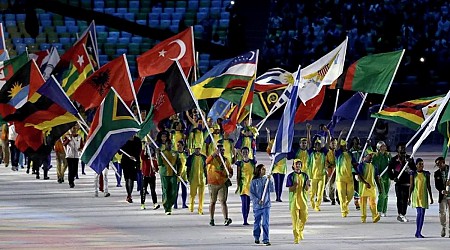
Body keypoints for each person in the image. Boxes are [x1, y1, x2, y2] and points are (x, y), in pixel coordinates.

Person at [206, 144, 233, 226]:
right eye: (219, 150)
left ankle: (226, 218)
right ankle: (211, 219)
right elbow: (207, 161)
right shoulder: (212, 159)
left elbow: (230, 169)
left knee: (223, 201)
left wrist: (230, 174)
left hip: (223, 183)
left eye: (222, 150)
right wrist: (214, 154)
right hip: (212, 183)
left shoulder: (225, 160)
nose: (221, 152)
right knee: (212, 202)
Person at [388, 142, 415, 223]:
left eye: (404, 148)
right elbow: (389, 170)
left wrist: (410, 163)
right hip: (399, 183)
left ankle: (403, 213)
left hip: (407, 182)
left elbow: (414, 169)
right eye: (401, 148)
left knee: (405, 199)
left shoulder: (409, 159)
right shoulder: (394, 160)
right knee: (399, 199)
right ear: (397, 150)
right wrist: (393, 177)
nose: (403, 150)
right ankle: (400, 214)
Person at [286, 159, 310, 244]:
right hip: (294, 201)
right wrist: (295, 185)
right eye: (296, 164)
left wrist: (307, 185)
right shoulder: (290, 176)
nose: (298, 166)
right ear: (293, 166)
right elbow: (290, 189)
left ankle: (300, 230)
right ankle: (296, 237)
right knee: (295, 220)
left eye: (299, 164)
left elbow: (307, 189)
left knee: (304, 217)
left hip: (303, 200)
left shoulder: (305, 176)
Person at [408, 158, 433, 238]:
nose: (421, 166)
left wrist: (431, 197)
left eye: (422, 164)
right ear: (416, 165)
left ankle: (418, 232)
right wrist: (409, 197)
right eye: (419, 164)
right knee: (420, 213)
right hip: (416, 195)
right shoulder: (413, 174)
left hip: (424, 195)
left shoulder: (426, 174)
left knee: (422, 214)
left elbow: (428, 186)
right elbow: (411, 186)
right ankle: (418, 232)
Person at [307, 124, 330, 211]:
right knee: (312, 193)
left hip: (322, 176)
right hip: (313, 176)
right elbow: (309, 142)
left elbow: (328, 143)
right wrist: (308, 131)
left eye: (319, 145)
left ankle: (317, 205)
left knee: (320, 192)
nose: (317, 146)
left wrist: (328, 133)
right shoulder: (311, 153)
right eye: (316, 145)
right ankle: (312, 203)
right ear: (314, 146)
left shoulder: (323, 153)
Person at [250, 164, 274, 246]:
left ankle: (266, 239)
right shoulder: (254, 182)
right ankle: (256, 236)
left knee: (265, 223)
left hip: (266, 205)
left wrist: (270, 180)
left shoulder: (266, 180)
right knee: (257, 223)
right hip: (257, 207)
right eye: (263, 169)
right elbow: (252, 194)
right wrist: (257, 201)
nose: (265, 170)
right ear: (259, 170)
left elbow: (272, 190)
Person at [157, 140, 182, 215]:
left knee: (174, 191)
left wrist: (179, 172)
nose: (169, 145)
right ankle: (167, 208)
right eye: (168, 144)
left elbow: (179, 164)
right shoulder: (162, 153)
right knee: (166, 190)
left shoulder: (175, 153)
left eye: (170, 144)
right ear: (165, 145)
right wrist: (158, 154)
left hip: (173, 174)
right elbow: (159, 163)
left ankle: (170, 204)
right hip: (164, 174)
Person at [357, 150, 381, 223]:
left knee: (373, 202)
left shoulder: (374, 166)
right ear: (365, 157)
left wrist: (379, 187)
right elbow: (359, 176)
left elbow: (376, 178)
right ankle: (363, 217)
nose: (371, 157)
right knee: (363, 203)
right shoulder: (361, 165)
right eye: (369, 155)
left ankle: (375, 216)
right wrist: (365, 183)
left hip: (372, 187)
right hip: (363, 187)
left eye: (372, 155)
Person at [335, 137, 357, 217]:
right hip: (340, 179)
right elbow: (337, 146)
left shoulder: (350, 154)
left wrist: (358, 171)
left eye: (346, 145)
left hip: (349, 178)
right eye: (343, 145)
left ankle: (345, 205)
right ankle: (343, 211)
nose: (345, 147)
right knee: (342, 196)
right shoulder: (338, 154)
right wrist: (340, 135)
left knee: (350, 195)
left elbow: (354, 164)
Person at [235, 147, 256, 225]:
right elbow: (238, 175)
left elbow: (255, 173)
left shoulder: (252, 162)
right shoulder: (240, 163)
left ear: (248, 152)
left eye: (246, 152)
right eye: (243, 152)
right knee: (244, 203)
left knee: (248, 204)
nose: (245, 154)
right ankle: (245, 219)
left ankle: (247, 218)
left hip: (251, 186)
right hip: (243, 186)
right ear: (241, 153)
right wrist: (238, 186)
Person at [266, 129, 287, 202]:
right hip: (275, 165)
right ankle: (277, 196)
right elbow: (269, 145)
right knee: (277, 182)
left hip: (283, 166)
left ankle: (279, 196)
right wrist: (268, 134)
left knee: (280, 183)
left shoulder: (284, 142)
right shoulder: (273, 142)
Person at [120, 135, 142, 203]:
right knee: (127, 178)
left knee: (131, 178)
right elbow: (120, 152)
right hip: (125, 161)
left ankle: (130, 194)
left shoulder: (137, 140)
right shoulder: (124, 140)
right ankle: (129, 194)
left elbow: (139, 150)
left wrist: (134, 156)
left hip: (134, 161)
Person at [186, 145, 207, 215]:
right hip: (193, 178)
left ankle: (200, 209)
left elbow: (205, 168)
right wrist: (188, 177)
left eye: (199, 149)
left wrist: (207, 177)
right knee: (192, 194)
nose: (197, 150)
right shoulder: (190, 158)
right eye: (196, 149)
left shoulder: (203, 158)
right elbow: (188, 168)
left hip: (202, 178)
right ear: (194, 149)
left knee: (201, 195)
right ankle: (191, 206)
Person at [373, 141, 392, 217]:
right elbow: (375, 166)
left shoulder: (388, 155)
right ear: (379, 148)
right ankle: (379, 210)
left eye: (384, 146)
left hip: (387, 177)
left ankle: (384, 210)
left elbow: (391, 165)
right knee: (382, 194)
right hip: (380, 177)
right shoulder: (376, 156)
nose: (384, 147)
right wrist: (377, 175)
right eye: (382, 146)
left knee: (386, 195)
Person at [434, 156, 450, 237]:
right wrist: (442, 190)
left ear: (444, 162)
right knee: (442, 212)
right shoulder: (436, 173)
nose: (438, 165)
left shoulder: (449, 170)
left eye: (440, 164)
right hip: (443, 195)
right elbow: (437, 185)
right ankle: (443, 227)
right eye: (437, 164)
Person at [174, 140, 188, 209]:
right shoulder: (175, 154)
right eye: (177, 145)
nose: (178, 147)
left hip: (184, 174)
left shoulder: (186, 154)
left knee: (184, 190)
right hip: (177, 174)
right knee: (175, 190)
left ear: (183, 146)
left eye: (179, 145)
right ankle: (175, 204)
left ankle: (184, 203)